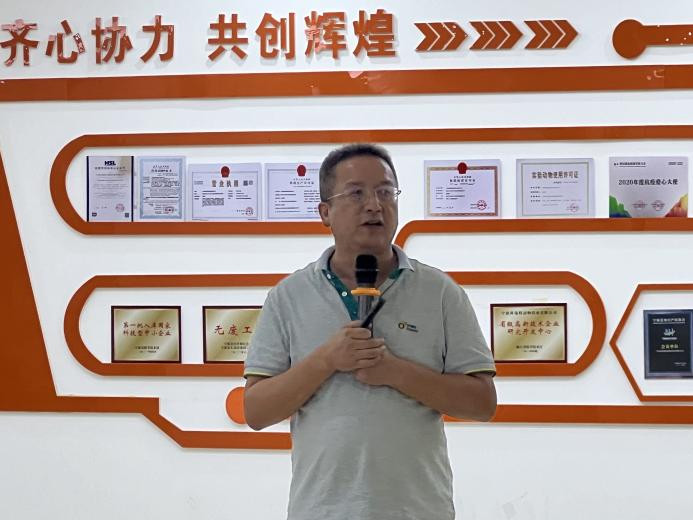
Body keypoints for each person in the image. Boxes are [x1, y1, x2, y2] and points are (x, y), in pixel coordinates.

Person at [243, 144, 496, 520]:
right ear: (325, 212)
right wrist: (327, 360)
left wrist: (394, 371)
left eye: (385, 191)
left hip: (417, 510)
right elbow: (256, 411)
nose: (375, 205)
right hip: (322, 511)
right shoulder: (288, 296)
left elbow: (482, 403)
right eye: (356, 193)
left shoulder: (440, 291)